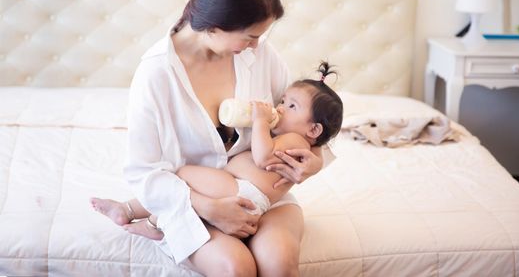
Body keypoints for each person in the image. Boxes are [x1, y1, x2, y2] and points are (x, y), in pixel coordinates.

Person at [93, 0, 325, 277]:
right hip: (190, 204)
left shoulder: (259, 54)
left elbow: (306, 116)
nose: (257, 45)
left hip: (261, 197)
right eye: (249, 36)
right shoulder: (157, 75)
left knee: (279, 261)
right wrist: (209, 208)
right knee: (235, 268)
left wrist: (315, 160)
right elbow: (144, 172)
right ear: (213, 27)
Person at [92, 62, 343, 244]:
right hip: (239, 190)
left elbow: (263, 158)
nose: (280, 107)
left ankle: (132, 212)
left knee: (182, 174)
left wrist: (259, 122)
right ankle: (149, 220)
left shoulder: (293, 139)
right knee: (190, 193)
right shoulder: (294, 138)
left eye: (291, 106)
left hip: (242, 190)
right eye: (283, 100)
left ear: (314, 129)